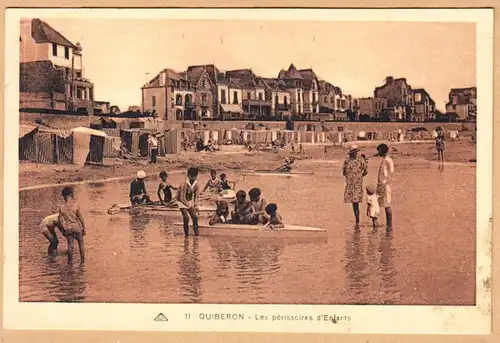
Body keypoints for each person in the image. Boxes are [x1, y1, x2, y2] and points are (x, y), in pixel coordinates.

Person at [58, 186, 86, 264]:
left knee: (70, 245)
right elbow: (80, 217)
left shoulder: (61, 207)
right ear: (70, 195)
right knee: (81, 244)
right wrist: (84, 227)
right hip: (76, 227)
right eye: (72, 193)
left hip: (68, 228)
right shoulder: (76, 205)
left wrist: (63, 230)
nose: (73, 195)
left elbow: (60, 221)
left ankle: (70, 262)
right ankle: (82, 262)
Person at [342, 144, 368, 226]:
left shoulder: (360, 159)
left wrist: (358, 177)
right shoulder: (348, 160)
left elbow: (365, 171)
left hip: (356, 184)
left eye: (355, 152)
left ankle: (357, 221)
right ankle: (357, 221)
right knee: (354, 203)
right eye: (354, 152)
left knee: (356, 203)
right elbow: (344, 172)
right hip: (351, 184)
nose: (355, 154)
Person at [376, 143, 394, 231]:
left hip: (385, 185)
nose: (378, 152)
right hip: (382, 185)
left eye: (379, 151)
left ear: (382, 151)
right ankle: (388, 225)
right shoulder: (384, 159)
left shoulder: (388, 160)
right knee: (384, 204)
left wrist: (384, 183)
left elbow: (390, 174)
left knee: (387, 205)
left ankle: (389, 226)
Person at [177, 167, 200, 237]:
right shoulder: (184, 184)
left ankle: (196, 234)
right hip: (181, 201)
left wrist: (196, 205)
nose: (193, 178)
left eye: (195, 177)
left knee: (195, 217)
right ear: (188, 176)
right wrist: (190, 206)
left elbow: (196, 196)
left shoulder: (196, 184)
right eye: (192, 177)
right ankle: (186, 235)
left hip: (188, 201)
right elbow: (182, 198)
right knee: (186, 217)